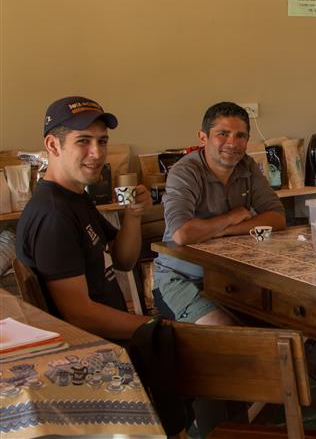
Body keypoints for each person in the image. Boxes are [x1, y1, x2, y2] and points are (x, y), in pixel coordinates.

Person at [17, 96, 153, 341]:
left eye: (102, 141)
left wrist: (133, 215)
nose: (98, 153)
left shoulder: (75, 197)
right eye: (83, 141)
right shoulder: (54, 216)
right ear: (53, 145)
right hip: (99, 353)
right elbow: (80, 316)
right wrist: (156, 326)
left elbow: (123, 261)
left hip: (116, 337)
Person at [153, 101, 286, 325]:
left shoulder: (247, 166)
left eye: (240, 136)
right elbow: (182, 234)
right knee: (226, 331)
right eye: (222, 134)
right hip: (182, 279)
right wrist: (232, 217)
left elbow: (277, 217)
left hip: (234, 279)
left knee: (283, 323)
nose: (232, 143)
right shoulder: (184, 172)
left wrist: (221, 231)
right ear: (203, 137)